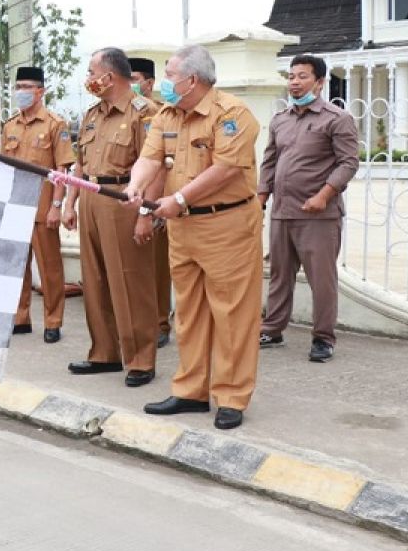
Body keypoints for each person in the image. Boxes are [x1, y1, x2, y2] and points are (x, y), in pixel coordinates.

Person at [127, 44, 263, 431]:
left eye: (170, 75)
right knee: (188, 312)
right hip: (183, 228)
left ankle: (232, 396)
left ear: (193, 80)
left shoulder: (232, 114)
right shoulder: (167, 114)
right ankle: (190, 390)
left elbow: (226, 169)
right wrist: (139, 189)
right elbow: (150, 157)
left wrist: (180, 198)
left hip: (227, 226)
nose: (165, 82)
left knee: (232, 314)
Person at [62, 48, 160, 387]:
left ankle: (141, 359)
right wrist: (69, 202)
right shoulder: (92, 114)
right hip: (90, 196)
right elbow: (80, 164)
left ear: (111, 76)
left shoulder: (143, 113)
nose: (88, 78)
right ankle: (104, 353)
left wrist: (146, 211)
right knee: (95, 279)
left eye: (92, 71)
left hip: (123, 200)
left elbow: (155, 166)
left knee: (130, 280)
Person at [258, 54, 359, 362]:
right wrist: (261, 197)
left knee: (322, 279)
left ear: (319, 82)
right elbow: (270, 161)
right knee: (279, 275)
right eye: (291, 76)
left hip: (318, 215)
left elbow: (348, 163)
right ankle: (273, 329)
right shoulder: (281, 119)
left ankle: (323, 338)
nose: (295, 82)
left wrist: (324, 195)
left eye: (302, 76)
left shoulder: (336, 119)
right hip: (283, 212)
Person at [2, 66, 74, 343]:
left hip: (43, 207)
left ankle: (53, 321)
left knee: (50, 268)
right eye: (18, 86)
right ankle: (21, 317)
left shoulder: (55, 124)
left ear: (40, 91)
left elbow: (62, 170)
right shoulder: (10, 125)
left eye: (27, 87)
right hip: (15, 206)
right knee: (17, 266)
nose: (21, 92)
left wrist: (57, 205)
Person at [129, 57, 173, 349]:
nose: (132, 84)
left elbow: (159, 164)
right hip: (129, 194)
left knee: (156, 266)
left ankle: (160, 322)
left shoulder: (155, 114)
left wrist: (149, 206)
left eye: (135, 78)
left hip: (153, 197)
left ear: (149, 83)